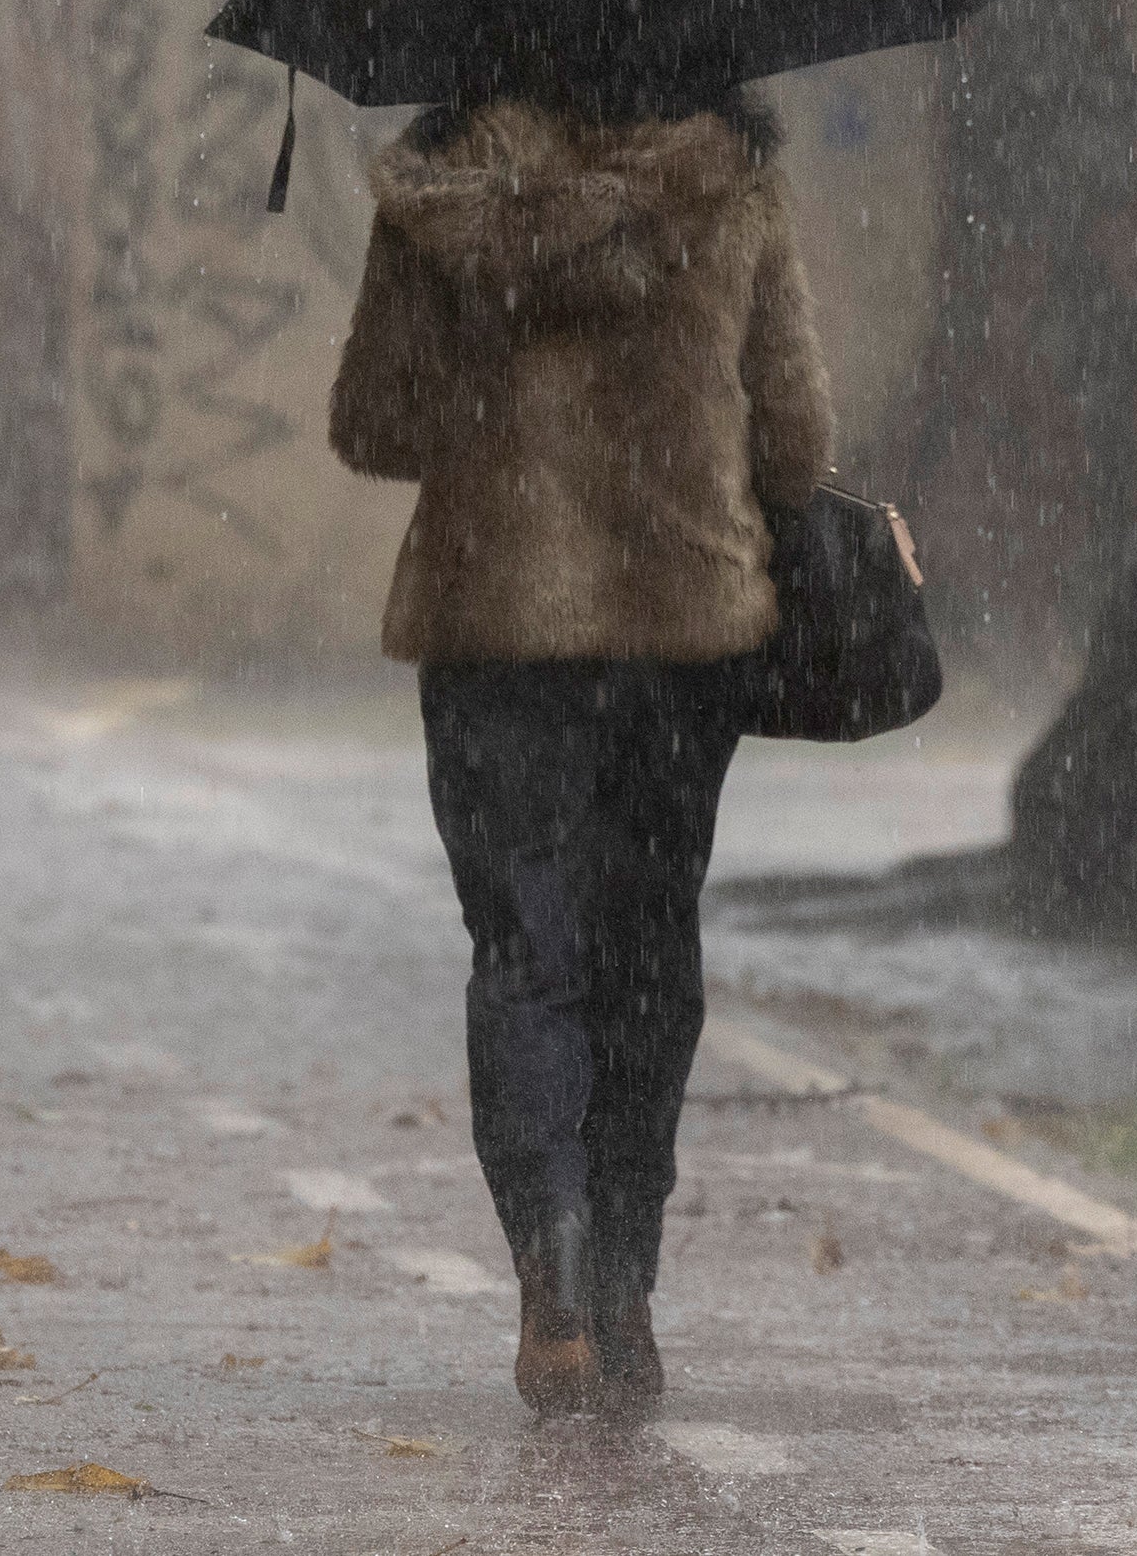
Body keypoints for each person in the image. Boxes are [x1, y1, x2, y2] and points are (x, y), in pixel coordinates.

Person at [328, 77, 831, 1419]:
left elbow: (372, 423)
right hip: (680, 632)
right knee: (647, 952)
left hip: (496, 625)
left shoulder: (440, 191)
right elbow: (795, 439)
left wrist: (491, 376)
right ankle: (624, 1282)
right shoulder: (731, 178)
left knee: (524, 954)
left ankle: (549, 1277)